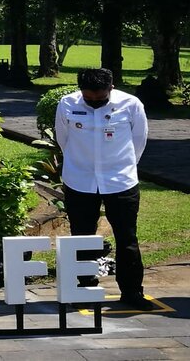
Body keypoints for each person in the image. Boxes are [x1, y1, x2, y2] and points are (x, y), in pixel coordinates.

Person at [55, 68, 153, 310]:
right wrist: (81, 163)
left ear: (111, 88)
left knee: (127, 237)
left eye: (100, 99)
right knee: (82, 236)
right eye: (89, 99)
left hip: (120, 181)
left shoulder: (131, 105)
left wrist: (123, 166)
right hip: (79, 180)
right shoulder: (67, 104)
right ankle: (85, 287)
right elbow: (63, 140)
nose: (95, 103)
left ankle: (132, 292)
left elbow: (139, 140)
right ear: (81, 91)